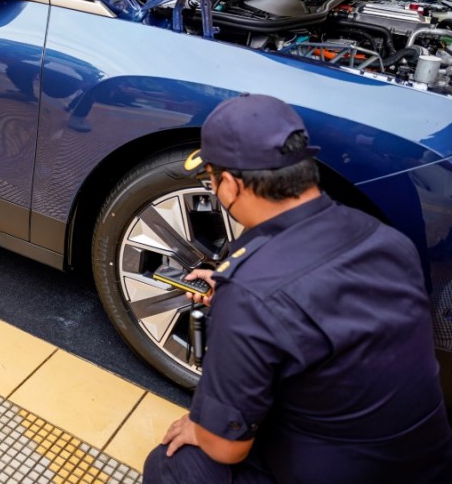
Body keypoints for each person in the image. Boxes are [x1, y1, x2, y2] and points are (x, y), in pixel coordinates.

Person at [144, 93, 452, 483]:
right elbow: (324, 310)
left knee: (172, 465)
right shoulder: (383, 237)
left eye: (211, 178)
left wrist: (198, 425)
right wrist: (240, 302)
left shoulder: (249, 295)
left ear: (230, 186)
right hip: (429, 462)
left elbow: (226, 447)